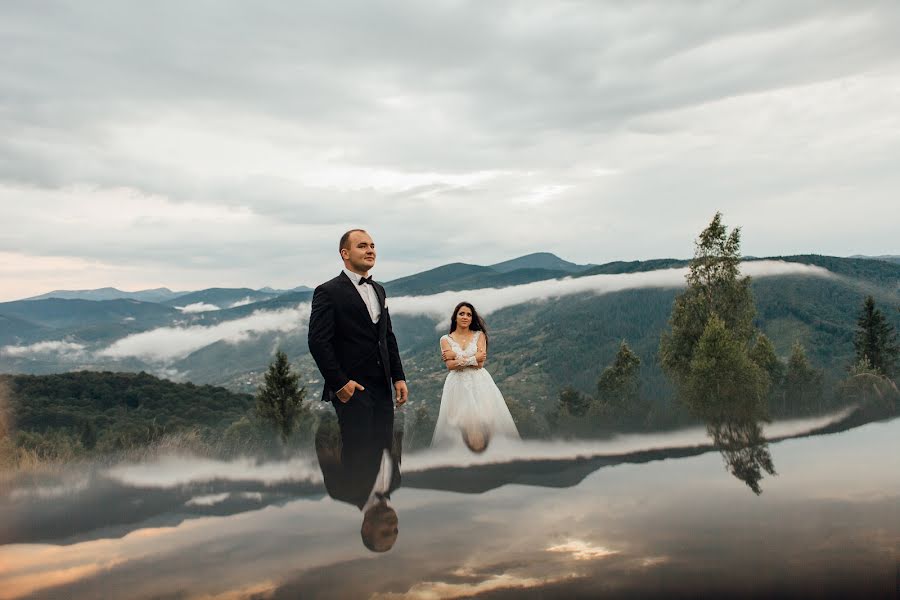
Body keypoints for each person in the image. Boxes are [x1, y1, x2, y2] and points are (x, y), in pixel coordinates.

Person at [308, 229, 408, 459]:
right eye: (362, 246)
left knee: (384, 452)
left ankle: (382, 495)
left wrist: (398, 377)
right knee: (359, 456)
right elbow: (318, 341)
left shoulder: (379, 290)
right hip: (353, 389)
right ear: (345, 253)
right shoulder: (327, 291)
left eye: (372, 246)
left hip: (383, 387)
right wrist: (340, 384)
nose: (370, 250)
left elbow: (387, 337)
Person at [432, 302, 519, 451]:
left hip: (480, 383)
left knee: (488, 422)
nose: (465, 317)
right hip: (456, 385)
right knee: (462, 426)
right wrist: (473, 357)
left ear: (472, 318)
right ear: (455, 317)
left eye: (469, 314)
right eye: (462, 314)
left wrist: (456, 355)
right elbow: (450, 366)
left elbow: (480, 364)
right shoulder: (445, 339)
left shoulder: (480, 335)